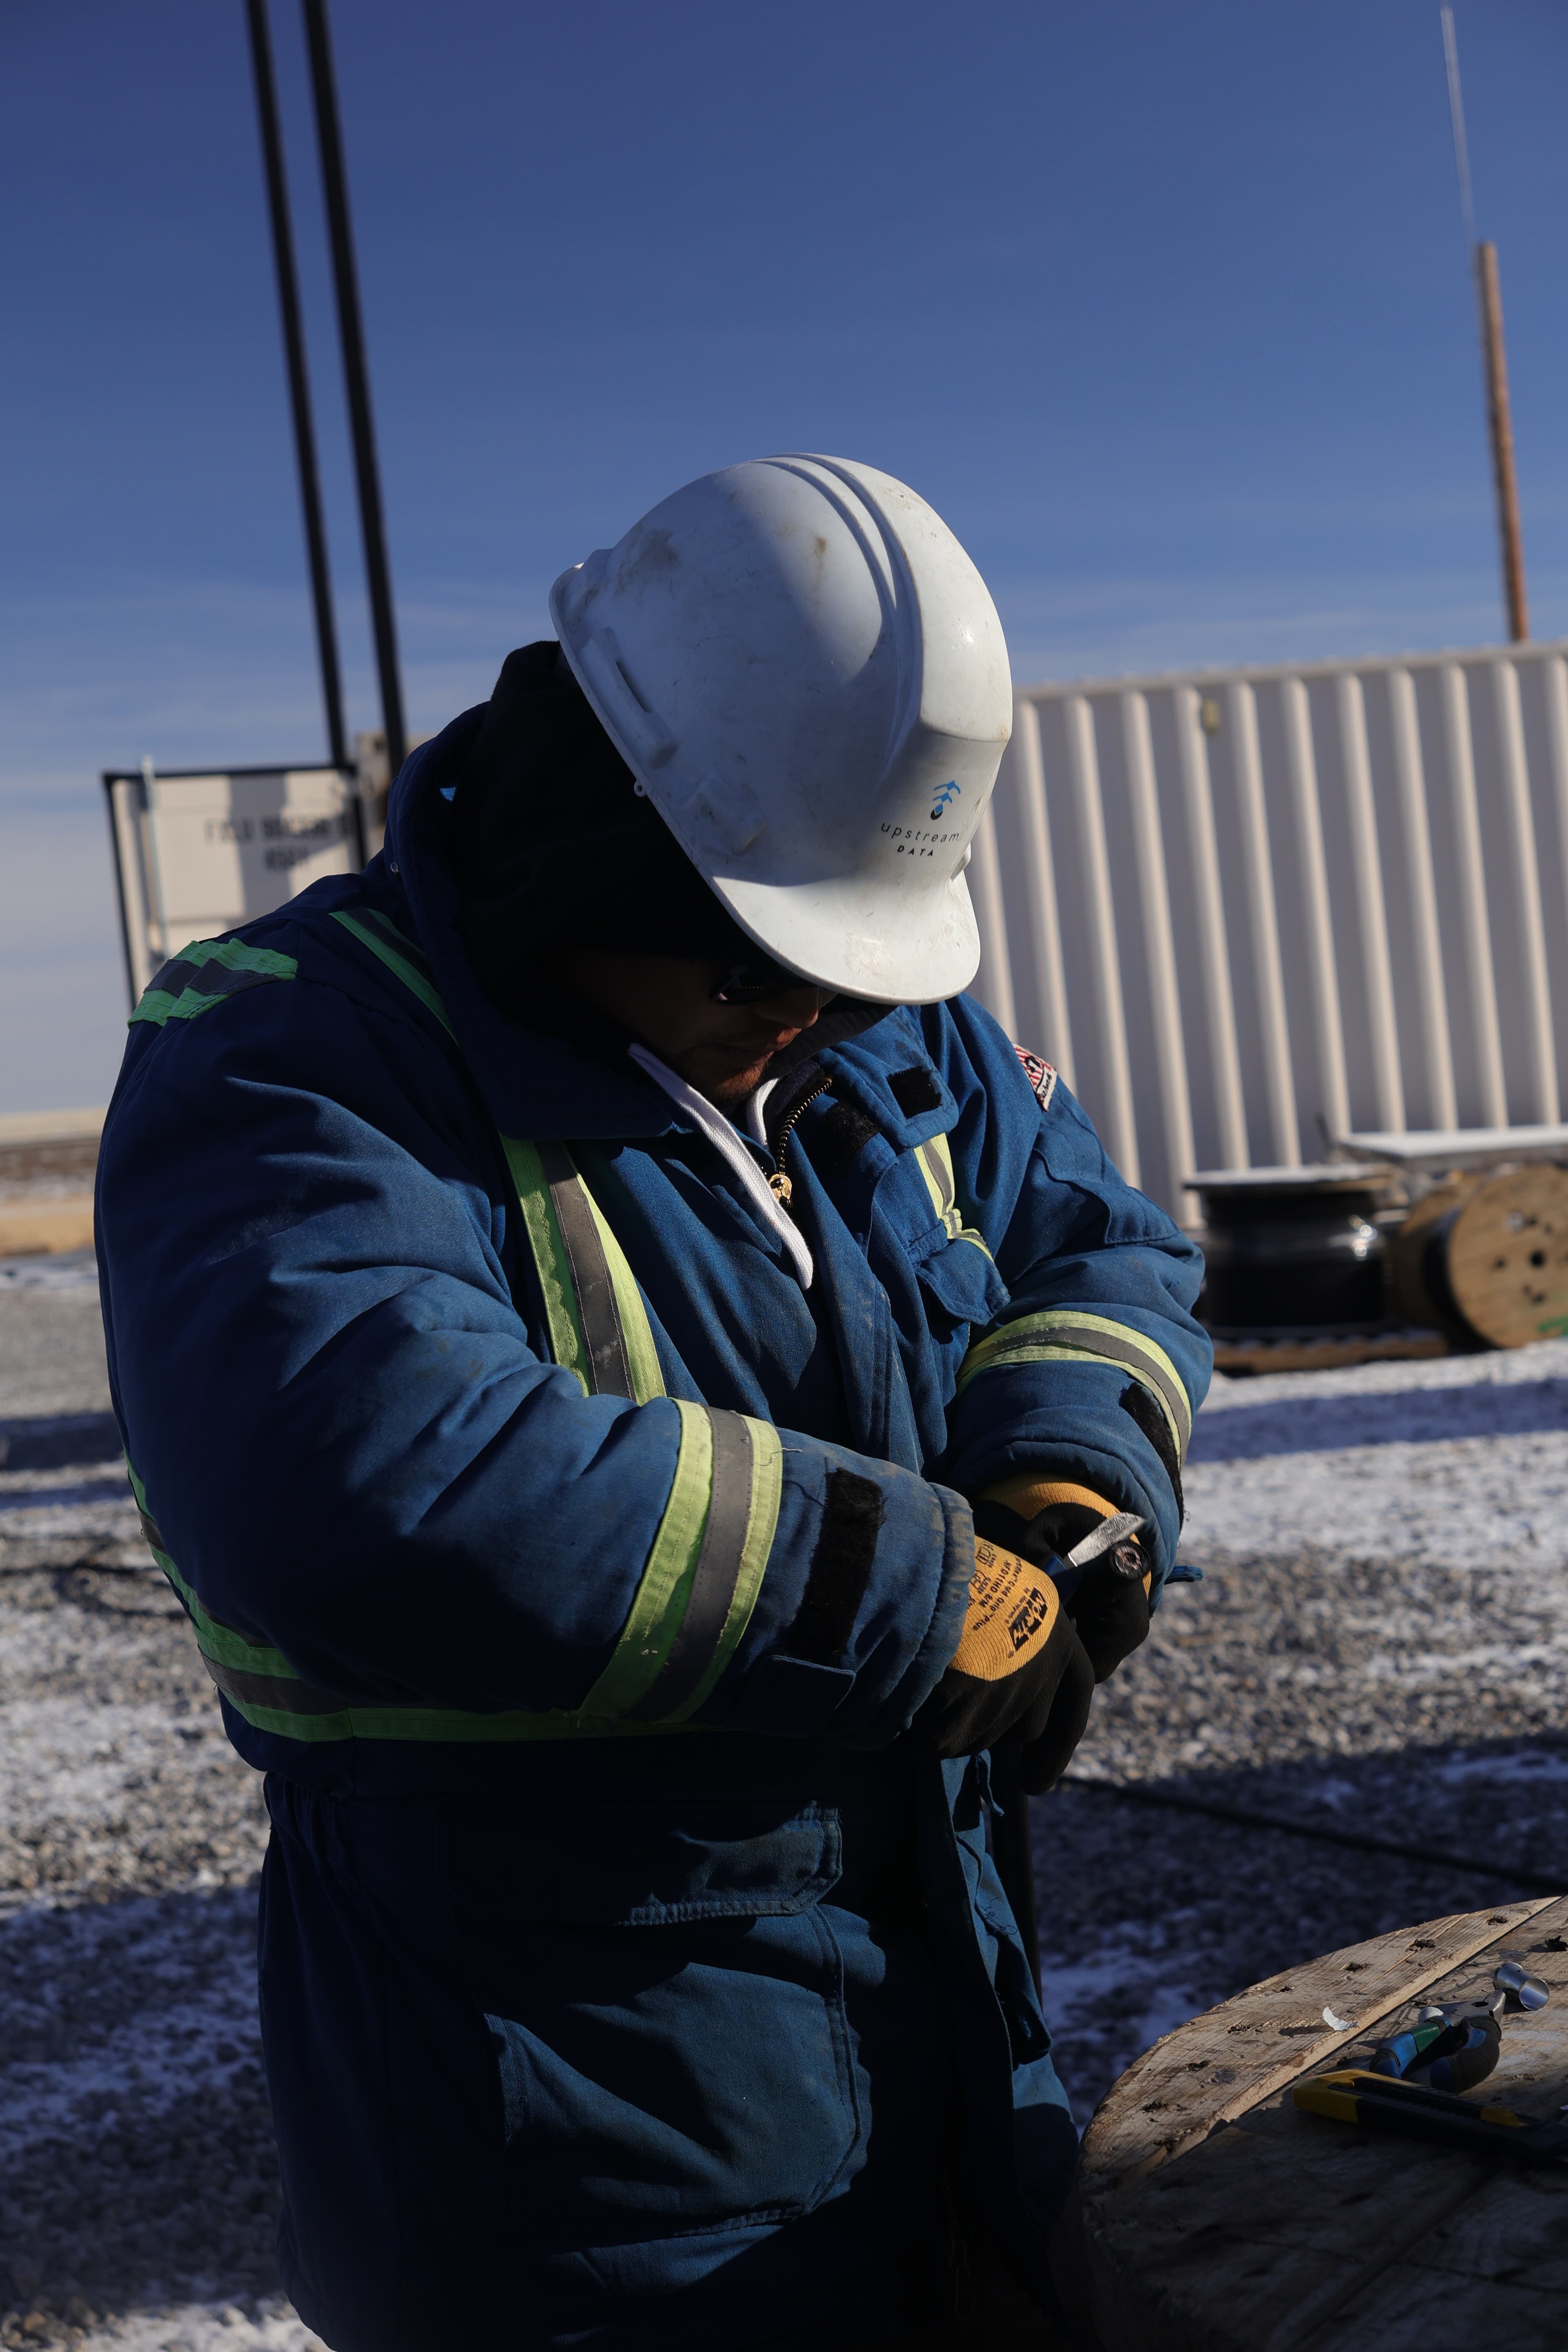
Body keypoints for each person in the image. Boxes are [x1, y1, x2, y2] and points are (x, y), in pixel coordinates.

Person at [96, 454, 1209, 2351]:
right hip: (571, 2184)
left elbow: (1105, 1256)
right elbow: (359, 1481)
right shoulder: (300, 1048)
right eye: (765, 954)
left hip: (942, 2084)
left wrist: (1059, 1497)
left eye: (843, 968)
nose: (809, 1007)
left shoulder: (884, 1025)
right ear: (597, 838)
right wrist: (921, 1597)